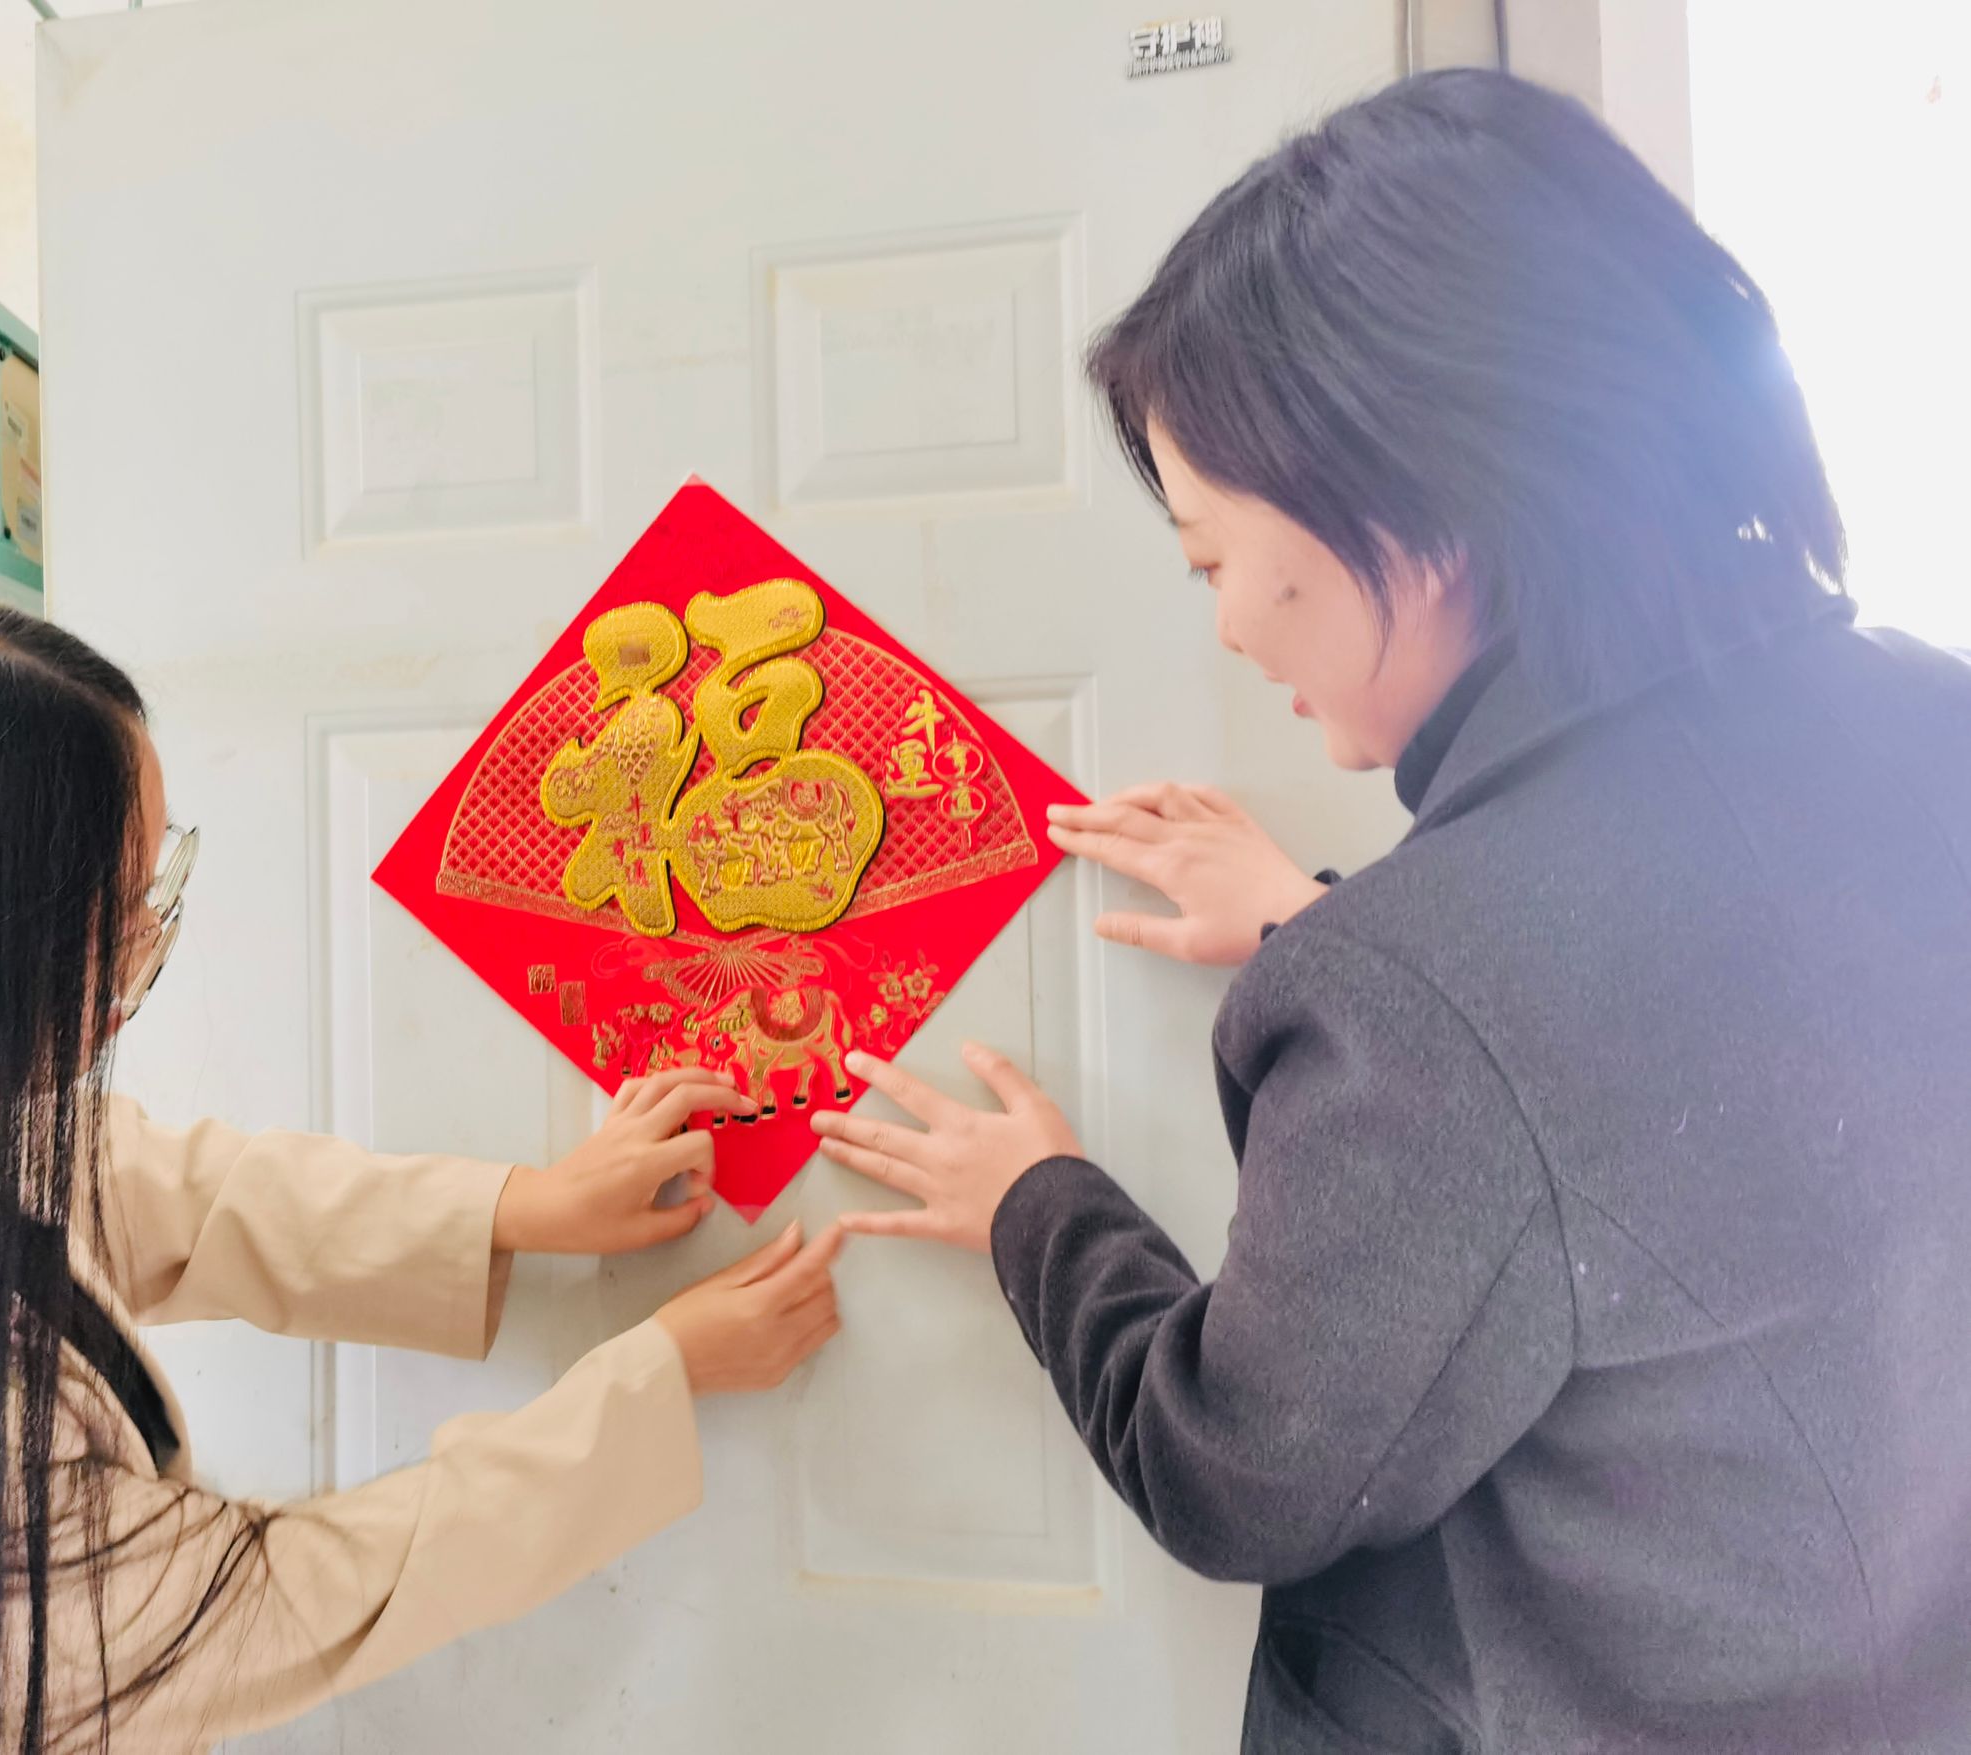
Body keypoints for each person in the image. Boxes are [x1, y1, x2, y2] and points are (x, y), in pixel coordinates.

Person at [812, 69, 1971, 1754]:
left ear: (1409, 519)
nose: (1225, 629)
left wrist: (1034, 1205)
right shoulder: (1933, 719)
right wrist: (1318, 920)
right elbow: (1698, 1051)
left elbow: (1242, 1473)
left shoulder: (1422, 991)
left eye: (1213, 558)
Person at [0, 573, 843, 1754]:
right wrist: (654, 1385)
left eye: (151, 889)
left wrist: (522, 1208)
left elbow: (175, 1192)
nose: (143, 949)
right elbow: (268, 1607)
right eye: (110, 915)